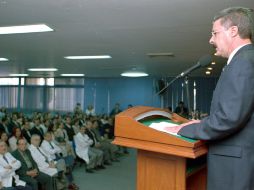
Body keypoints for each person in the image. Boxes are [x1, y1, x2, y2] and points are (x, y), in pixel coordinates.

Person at [166, 7, 254, 190]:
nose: (211, 40)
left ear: (233, 31)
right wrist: (203, 122)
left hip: (235, 164)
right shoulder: (245, 59)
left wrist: (184, 129)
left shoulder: (243, 62)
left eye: (214, 33)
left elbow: (229, 118)